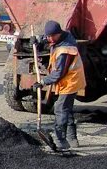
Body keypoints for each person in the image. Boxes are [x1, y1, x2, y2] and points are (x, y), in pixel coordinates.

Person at [32, 20, 86, 151]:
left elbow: (59, 74)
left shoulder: (65, 49)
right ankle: (72, 139)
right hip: (66, 81)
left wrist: (43, 82)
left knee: (60, 109)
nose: (49, 39)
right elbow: (46, 41)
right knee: (66, 109)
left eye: (51, 36)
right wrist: (36, 43)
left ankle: (60, 141)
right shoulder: (60, 38)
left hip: (70, 81)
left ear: (58, 33)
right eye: (48, 36)